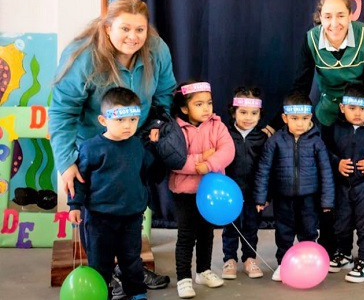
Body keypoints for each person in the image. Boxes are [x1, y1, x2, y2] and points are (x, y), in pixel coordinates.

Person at [50, 0, 175, 293]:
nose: (133, 37)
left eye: (140, 30)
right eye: (125, 29)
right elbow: (62, 111)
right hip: (94, 145)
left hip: (135, 141)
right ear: (107, 29)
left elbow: (166, 92)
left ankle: (129, 268)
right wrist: (66, 162)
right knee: (100, 218)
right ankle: (103, 273)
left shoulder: (156, 50)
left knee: (131, 208)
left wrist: (156, 125)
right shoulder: (83, 58)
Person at [265, 0, 364, 268]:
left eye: (340, 15)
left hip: (361, 115)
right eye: (327, 16)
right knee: (329, 179)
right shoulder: (311, 39)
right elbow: (301, 85)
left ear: (351, 15)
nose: (334, 22)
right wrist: (274, 123)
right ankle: (333, 245)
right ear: (319, 18)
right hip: (327, 118)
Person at [67, 88, 154, 300]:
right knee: (99, 263)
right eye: (121, 120)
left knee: (132, 259)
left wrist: (143, 199)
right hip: (99, 219)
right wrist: (75, 205)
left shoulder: (138, 146)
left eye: (133, 119)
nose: (128, 125)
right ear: (103, 120)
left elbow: (144, 174)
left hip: (131, 217)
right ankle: (101, 294)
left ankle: (137, 292)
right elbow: (80, 181)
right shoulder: (90, 148)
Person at [253, 93, 334, 282]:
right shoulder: (275, 141)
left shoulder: (316, 141)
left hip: (309, 198)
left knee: (309, 231)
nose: (300, 123)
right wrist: (260, 197)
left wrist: (327, 201)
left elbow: (326, 172)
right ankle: (283, 264)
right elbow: (264, 169)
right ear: (284, 118)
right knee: (284, 232)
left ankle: (308, 265)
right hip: (283, 197)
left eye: (305, 119)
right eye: (295, 119)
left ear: (311, 118)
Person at [168, 81, 235, 299]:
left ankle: (203, 270)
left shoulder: (218, 125)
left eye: (209, 102)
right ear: (185, 108)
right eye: (199, 104)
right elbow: (175, 161)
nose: (206, 108)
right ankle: (184, 278)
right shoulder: (175, 129)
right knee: (186, 235)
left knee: (207, 233)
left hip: (210, 195)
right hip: (185, 193)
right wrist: (200, 159)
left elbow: (227, 151)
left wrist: (210, 163)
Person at [323, 83, 364, 283]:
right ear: (342, 108)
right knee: (341, 224)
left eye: (363, 109)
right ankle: (344, 256)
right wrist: (337, 163)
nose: (358, 113)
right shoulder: (335, 128)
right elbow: (325, 153)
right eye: (352, 108)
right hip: (342, 187)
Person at [221, 86, 268, 280]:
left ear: (259, 115)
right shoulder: (224, 135)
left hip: (253, 193)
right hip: (230, 192)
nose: (248, 117)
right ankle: (229, 259)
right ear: (233, 112)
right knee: (230, 227)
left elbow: (267, 169)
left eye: (254, 113)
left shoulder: (263, 138)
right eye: (243, 112)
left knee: (251, 227)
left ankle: (250, 258)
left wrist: (264, 195)